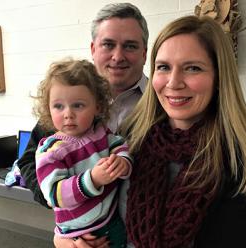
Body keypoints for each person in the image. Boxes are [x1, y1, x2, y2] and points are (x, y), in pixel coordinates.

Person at [116, 15, 246, 247]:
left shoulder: (237, 160)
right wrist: (68, 236)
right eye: (163, 67)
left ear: (219, 77)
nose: (173, 82)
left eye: (192, 68)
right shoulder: (130, 139)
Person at [17, 2, 148, 209]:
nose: (118, 56)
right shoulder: (67, 98)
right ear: (93, 49)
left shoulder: (162, 103)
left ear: (144, 53)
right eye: (108, 44)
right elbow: (28, 163)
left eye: (130, 46)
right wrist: (68, 220)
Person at [34, 59, 132, 247]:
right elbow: (54, 194)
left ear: (98, 107)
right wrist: (93, 180)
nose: (68, 114)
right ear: (48, 108)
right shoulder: (51, 150)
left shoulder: (101, 132)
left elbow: (120, 146)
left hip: (111, 220)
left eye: (78, 105)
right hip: (78, 234)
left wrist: (123, 161)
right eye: (58, 106)